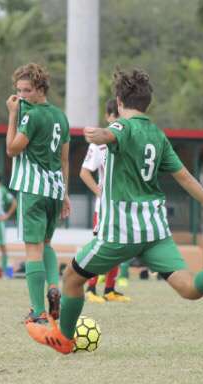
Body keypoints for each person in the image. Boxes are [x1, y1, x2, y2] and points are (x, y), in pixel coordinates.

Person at [26, 68, 203, 354]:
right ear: (148, 102)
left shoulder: (122, 127)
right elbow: (186, 177)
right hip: (155, 229)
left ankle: (64, 339)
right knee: (188, 288)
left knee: (72, 279)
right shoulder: (158, 135)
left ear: (119, 101)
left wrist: (97, 135)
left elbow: (111, 134)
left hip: (121, 231)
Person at [5, 63, 71, 323]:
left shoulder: (30, 117)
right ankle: (54, 287)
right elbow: (65, 160)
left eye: (27, 90)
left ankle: (37, 311)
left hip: (32, 190)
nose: (21, 96)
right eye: (18, 91)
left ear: (41, 89)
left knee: (32, 250)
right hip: (54, 191)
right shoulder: (61, 117)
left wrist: (12, 115)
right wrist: (65, 194)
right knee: (46, 246)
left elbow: (12, 149)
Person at [80, 99, 130, 303]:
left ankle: (110, 289)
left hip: (123, 206)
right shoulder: (99, 144)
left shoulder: (127, 141)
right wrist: (99, 193)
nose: (118, 120)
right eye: (115, 116)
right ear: (108, 117)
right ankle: (90, 289)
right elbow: (84, 173)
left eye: (121, 116)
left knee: (119, 247)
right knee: (101, 248)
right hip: (105, 208)